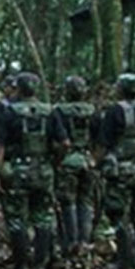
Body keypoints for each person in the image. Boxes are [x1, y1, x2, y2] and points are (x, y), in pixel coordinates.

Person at [0, 72, 65, 269]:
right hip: (43, 169)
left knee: (17, 219)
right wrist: (54, 162)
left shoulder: (9, 113)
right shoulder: (50, 111)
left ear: (18, 89)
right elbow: (64, 143)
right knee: (43, 217)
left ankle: (21, 264)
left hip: (17, 170)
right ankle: (40, 263)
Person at [97, 73, 135, 269]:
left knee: (118, 214)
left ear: (121, 88)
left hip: (120, 170)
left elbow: (104, 143)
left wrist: (99, 164)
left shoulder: (115, 111)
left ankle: (125, 262)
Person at [53, 76, 99, 257]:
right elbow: (98, 139)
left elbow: (59, 139)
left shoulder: (59, 111)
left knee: (67, 201)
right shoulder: (93, 111)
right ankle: (84, 241)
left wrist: (57, 161)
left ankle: (71, 242)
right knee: (85, 201)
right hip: (87, 159)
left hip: (68, 160)